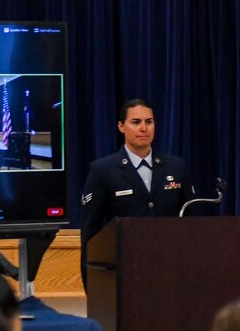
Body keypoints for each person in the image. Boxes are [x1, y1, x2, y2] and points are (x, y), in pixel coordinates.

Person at [80, 98, 196, 244]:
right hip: (125, 260)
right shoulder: (103, 170)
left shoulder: (176, 167)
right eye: (136, 122)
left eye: (149, 122)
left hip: (170, 259)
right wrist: (89, 267)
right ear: (121, 126)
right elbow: (91, 230)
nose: (143, 128)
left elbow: (192, 222)